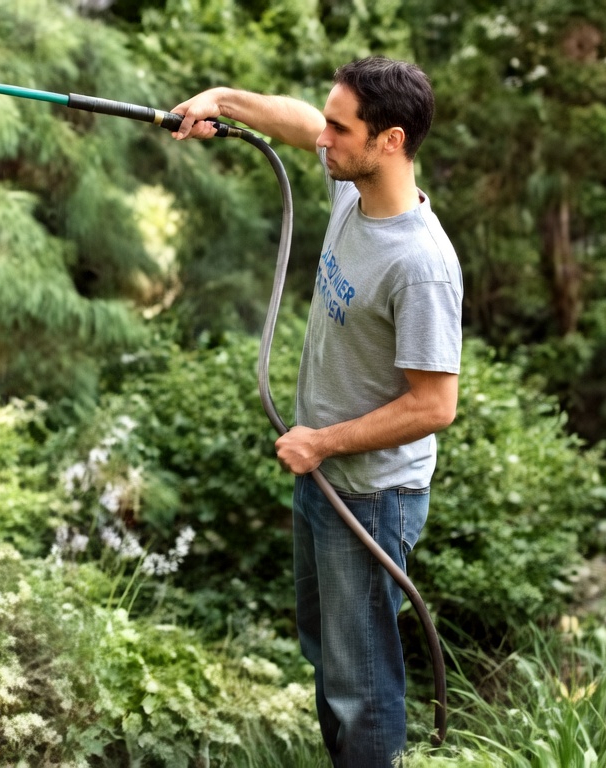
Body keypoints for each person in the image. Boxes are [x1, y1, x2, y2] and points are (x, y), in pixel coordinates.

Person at [171, 57, 462, 767]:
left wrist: (323, 443)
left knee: (360, 686)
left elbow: (435, 405)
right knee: (329, 659)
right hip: (324, 476)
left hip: (371, 493)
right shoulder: (352, 192)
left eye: (341, 127)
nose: (322, 138)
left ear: (389, 141)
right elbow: (301, 123)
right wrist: (223, 97)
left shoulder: (419, 265)